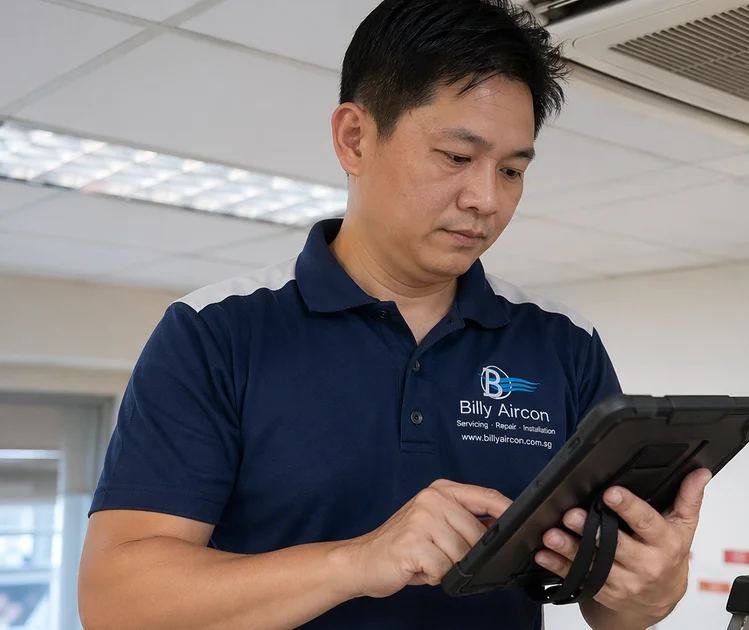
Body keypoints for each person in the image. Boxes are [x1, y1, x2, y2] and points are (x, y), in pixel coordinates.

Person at [76, 1, 712, 629]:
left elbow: (612, 608)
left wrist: (654, 588)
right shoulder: (214, 331)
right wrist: (357, 562)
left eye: (512, 169)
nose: (487, 199)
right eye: (457, 157)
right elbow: (116, 604)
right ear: (355, 139)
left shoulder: (563, 342)